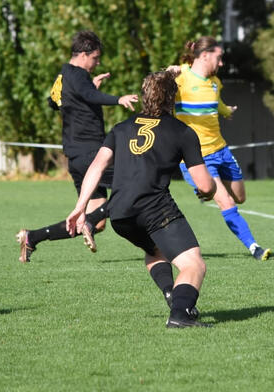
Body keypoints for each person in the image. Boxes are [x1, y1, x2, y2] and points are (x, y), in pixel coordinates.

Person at [66, 71, 216, 328]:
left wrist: (81, 207)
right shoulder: (183, 132)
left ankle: (173, 296)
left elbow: (97, 166)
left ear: (145, 96)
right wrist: (210, 190)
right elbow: (203, 184)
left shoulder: (121, 129)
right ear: (172, 98)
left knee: (154, 250)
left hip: (120, 214)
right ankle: (180, 314)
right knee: (194, 265)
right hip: (156, 209)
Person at [16, 31, 138, 262]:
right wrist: (117, 99)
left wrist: (87, 89)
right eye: (95, 57)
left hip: (75, 157)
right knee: (131, 184)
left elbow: (53, 102)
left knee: (98, 220)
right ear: (83, 54)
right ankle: (89, 222)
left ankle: (32, 237)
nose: (97, 62)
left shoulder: (63, 75)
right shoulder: (78, 74)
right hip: (91, 153)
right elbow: (89, 96)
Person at [172, 36, 271, 260]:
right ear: (205, 55)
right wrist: (167, 73)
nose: (222, 63)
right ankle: (254, 247)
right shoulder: (180, 78)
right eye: (219, 58)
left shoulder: (215, 81)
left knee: (240, 197)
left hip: (222, 150)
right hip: (196, 157)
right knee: (225, 201)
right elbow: (155, 90)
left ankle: (203, 189)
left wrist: (227, 112)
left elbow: (217, 103)